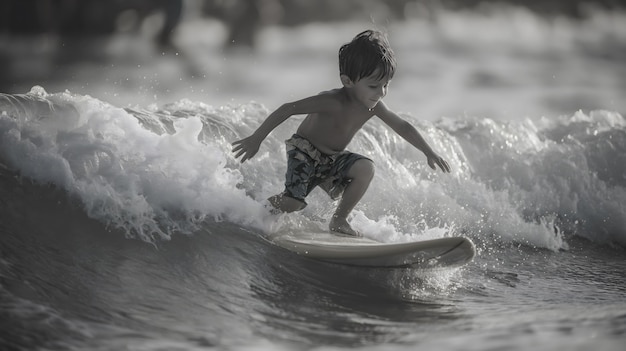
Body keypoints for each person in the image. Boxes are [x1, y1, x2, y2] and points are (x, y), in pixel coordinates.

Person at [232, 29, 450, 237]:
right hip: (304, 153)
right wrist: (256, 138)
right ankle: (256, 213)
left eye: (386, 85)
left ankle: (339, 220)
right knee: (293, 203)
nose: (381, 93)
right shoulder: (332, 101)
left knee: (365, 168)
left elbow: (403, 126)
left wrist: (428, 151)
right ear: (347, 81)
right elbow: (288, 108)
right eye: (374, 86)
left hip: (332, 158)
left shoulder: (373, 106)